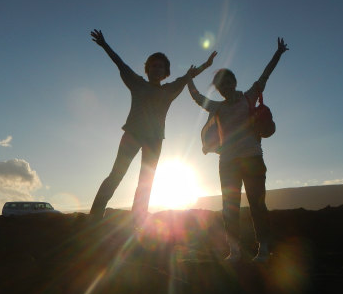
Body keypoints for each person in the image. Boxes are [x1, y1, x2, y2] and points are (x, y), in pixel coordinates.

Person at [89, 29, 217, 227]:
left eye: (161, 66)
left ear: (166, 72)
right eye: (153, 66)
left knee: (145, 183)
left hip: (155, 140)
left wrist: (207, 65)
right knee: (116, 174)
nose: (157, 69)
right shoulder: (137, 83)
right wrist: (105, 44)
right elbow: (120, 64)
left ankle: (136, 223)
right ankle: (94, 218)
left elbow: (188, 76)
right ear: (147, 69)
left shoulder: (169, 90)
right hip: (132, 134)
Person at [187, 37, 288, 263]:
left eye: (227, 82)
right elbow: (197, 98)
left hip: (252, 158)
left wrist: (278, 54)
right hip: (228, 162)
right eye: (220, 85)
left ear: (234, 82)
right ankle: (235, 250)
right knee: (229, 207)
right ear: (219, 89)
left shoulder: (249, 96)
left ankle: (263, 249)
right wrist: (188, 79)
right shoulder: (218, 106)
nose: (225, 87)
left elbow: (265, 76)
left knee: (257, 204)